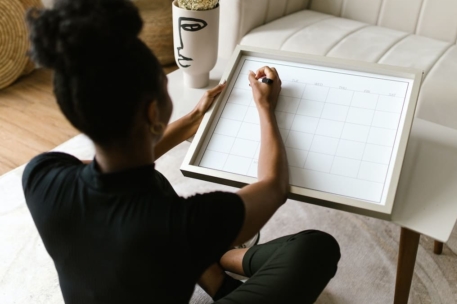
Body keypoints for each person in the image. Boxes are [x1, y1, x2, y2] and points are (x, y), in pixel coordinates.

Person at [22, 0, 341, 303]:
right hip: (179, 240)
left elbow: (111, 169)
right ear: (152, 113)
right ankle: (216, 257)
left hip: (161, 251)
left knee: (153, 184)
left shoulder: (40, 174)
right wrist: (265, 106)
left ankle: (215, 268)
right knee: (317, 248)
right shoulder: (180, 223)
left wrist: (193, 118)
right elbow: (273, 187)